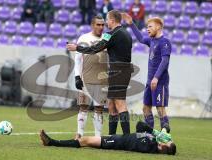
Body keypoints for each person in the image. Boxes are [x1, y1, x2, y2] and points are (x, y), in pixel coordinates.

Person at [67, 10, 133, 135]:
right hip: (121, 71)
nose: (106, 23)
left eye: (107, 20)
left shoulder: (110, 34)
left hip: (117, 71)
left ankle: (127, 138)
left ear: (112, 20)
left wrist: (78, 47)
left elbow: (96, 48)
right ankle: (111, 137)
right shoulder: (126, 34)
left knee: (119, 104)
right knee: (112, 105)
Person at [122, 13, 171, 132]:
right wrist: (131, 24)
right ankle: (150, 134)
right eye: (147, 27)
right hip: (150, 82)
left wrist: (156, 78)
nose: (147, 29)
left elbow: (165, 61)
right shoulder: (152, 41)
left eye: (150, 26)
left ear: (158, 27)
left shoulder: (164, 42)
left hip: (159, 82)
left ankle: (165, 135)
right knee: (146, 108)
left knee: (160, 109)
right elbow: (141, 39)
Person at [39, 121, 176, 155]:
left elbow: (141, 128)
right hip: (116, 138)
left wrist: (158, 134)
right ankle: (51, 142)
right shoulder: (153, 140)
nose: (167, 140)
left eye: (168, 141)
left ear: (164, 147)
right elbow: (140, 126)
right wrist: (159, 132)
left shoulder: (150, 145)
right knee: (83, 142)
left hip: (114, 142)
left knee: (84, 141)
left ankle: (51, 142)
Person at [74, 15, 108, 139]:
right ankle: (79, 135)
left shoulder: (107, 38)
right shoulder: (84, 38)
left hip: (102, 80)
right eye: (98, 24)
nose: (101, 27)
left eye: (102, 24)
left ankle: (98, 137)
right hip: (85, 79)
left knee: (99, 108)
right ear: (92, 25)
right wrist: (77, 76)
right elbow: (77, 59)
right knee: (83, 107)